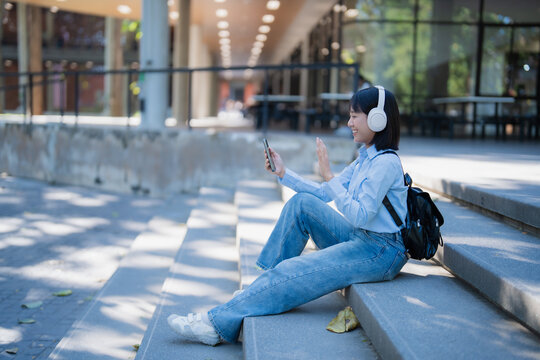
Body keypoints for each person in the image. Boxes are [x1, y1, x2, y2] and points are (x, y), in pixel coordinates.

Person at [167, 86, 409, 346]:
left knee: (294, 269)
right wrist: (284, 173)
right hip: (363, 238)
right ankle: (261, 288)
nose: (349, 123)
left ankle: (213, 325)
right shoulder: (367, 159)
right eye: (349, 116)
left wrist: (329, 174)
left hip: (380, 252)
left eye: (355, 116)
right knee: (302, 204)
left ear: (377, 119)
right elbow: (324, 194)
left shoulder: (385, 163)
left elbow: (360, 215)